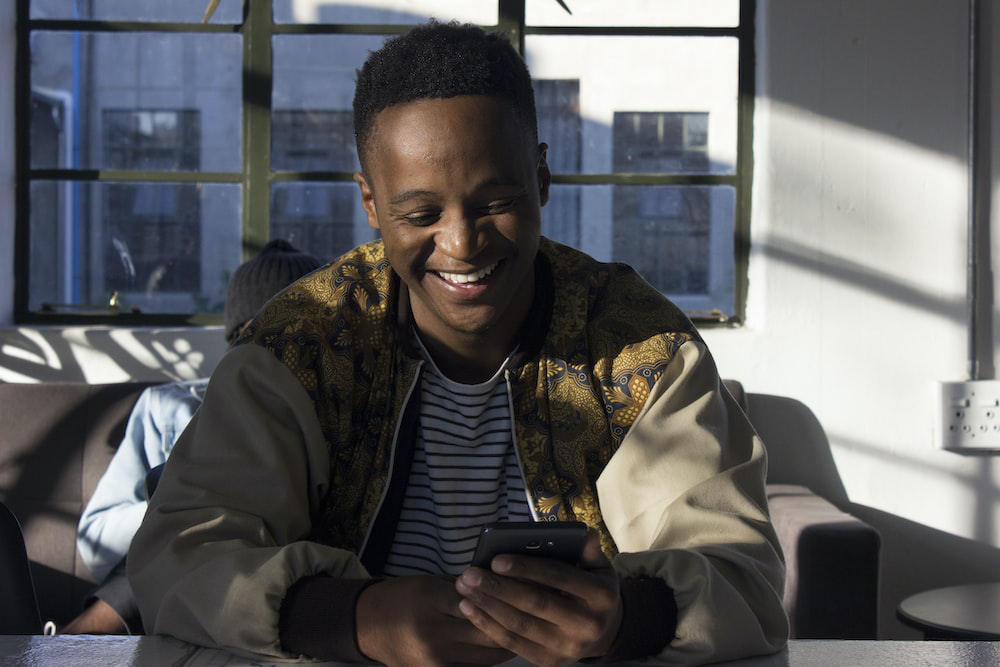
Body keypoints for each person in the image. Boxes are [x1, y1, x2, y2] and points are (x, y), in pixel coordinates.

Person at [128, 21, 788, 666]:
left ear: (541, 179)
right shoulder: (300, 345)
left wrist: (624, 620)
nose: (463, 244)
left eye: (495, 202)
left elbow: (744, 579)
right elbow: (177, 559)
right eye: (421, 214)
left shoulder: (640, 347)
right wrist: (355, 619)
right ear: (370, 202)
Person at [64, 240, 323, 635]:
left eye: (298, 338)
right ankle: (68, 646)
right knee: (177, 547)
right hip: (186, 584)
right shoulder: (168, 406)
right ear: (234, 341)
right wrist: (181, 498)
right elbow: (94, 541)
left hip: (284, 576)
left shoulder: (341, 418)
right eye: (263, 336)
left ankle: (70, 643)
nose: (278, 357)